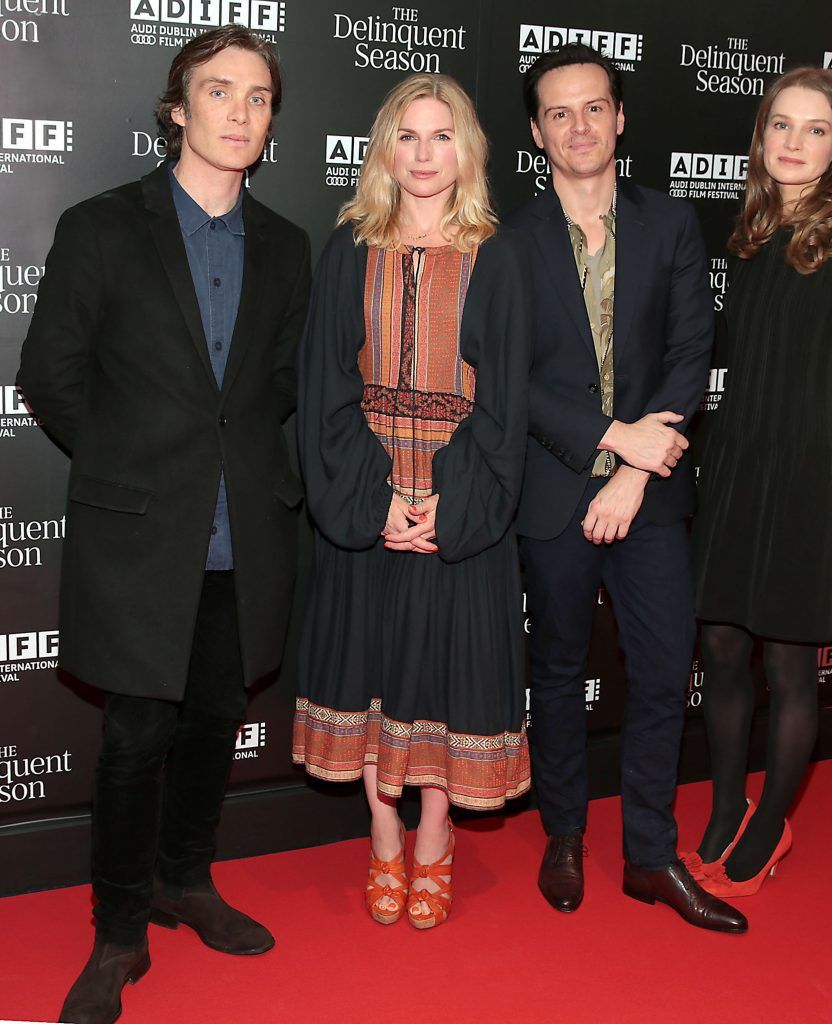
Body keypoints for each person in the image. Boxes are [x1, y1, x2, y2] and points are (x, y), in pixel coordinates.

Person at [17, 25, 311, 1023]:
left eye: (258, 96)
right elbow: (48, 377)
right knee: (136, 734)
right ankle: (118, 930)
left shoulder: (284, 245)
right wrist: (132, 468)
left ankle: (187, 880)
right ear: (176, 108)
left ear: (271, 121)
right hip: (140, 531)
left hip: (247, 533)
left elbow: (273, 389)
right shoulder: (104, 227)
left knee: (215, 717)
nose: (239, 111)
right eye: (218, 91)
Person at [506, 43, 746, 934]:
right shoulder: (509, 239)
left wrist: (638, 472)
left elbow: (691, 354)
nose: (579, 125)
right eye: (558, 112)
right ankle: (563, 835)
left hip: (651, 497)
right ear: (536, 132)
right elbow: (508, 377)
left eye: (594, 107)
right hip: (554, 491)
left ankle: (650, 853)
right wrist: (611, 443)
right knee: (559, 672)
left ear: (620, 117)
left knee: (658, 674)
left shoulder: (672, 224)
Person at [293, 73, 531, 930]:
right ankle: (382, 833)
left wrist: (447, 505)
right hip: (366, 492)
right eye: (408, 136)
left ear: (466, 149)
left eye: (441, 136)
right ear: (383, 150)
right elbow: (322, 386)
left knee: (442, 674)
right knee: (371, 670)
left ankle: (435, 835)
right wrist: (374, 501)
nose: (424, 154)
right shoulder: (348, 248)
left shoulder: (497, 256)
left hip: (462, 499)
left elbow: (508, 405)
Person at [685, 67, 832, 897]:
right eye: (780, 124)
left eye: (815, 129)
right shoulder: (748, 238)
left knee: (788, 665)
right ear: (761, 135)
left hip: (814, 479)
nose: (793, 142)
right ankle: (723, 806)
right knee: (720, 647)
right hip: (743, 466)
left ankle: (772, 823)